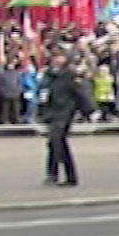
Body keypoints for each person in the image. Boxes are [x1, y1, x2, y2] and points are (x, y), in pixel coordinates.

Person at [40, 52, 94, 187]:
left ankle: (53, 174)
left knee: (55, 141)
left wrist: (88, 110)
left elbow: (80, 93)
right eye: (54, 57)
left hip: (65, 112)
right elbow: (43, 94)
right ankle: (69, 177)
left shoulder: (69, 75)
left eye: (59, 57)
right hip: (51, 112)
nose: (57, 59)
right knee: (58, 144)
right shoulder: (48, 75)